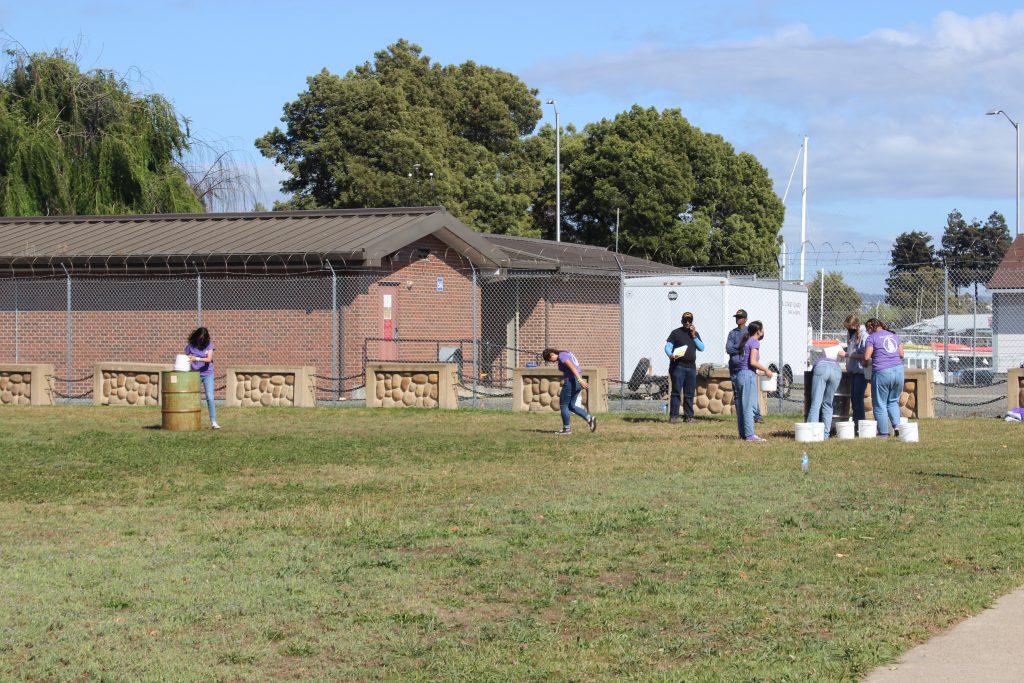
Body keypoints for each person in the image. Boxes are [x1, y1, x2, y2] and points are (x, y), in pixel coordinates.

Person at [864, 318, 905, 439]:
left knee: (880, 403)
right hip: (898, 371)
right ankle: (897, 427)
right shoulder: (893, 335)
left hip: (882, 372)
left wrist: (865, 365)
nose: (868, 332)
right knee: (893, 401)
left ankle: (883, 433)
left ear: (871, 327)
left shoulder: (872, 338)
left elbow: (867, 357)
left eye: (868, 330)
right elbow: (901, 354)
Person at [543, 347, 597, 435]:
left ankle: (566, 429)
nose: (552, 362)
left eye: (549, 359)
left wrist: (580, 380)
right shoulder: (566, 353)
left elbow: (573, 368)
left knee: (563, 404)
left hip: (572, 381)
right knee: (571, 406)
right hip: (576, 381)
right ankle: (589, 418)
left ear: (551, 355)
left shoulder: (562, 356)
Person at [735, 321, 773, 441]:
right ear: (758, 331)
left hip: (740, 375)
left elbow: (746, 363)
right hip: (747, 377)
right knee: (749, 406)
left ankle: (743, 434)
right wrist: (767, 370)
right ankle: (750, 435)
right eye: (762, 329)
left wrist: (757, 371)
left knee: (741, 406)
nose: (763, 332)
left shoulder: (746, 341)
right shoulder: (755, 342)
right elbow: (753, 362)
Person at [664, 312, 705, 423]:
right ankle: (673, 416)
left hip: (691, 367)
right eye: (685, 320)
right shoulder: (676, 333)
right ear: (682, 321)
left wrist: (694, 336)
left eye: (690, 320)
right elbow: (667, 347)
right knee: (676, 392)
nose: (687, 322)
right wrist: (670, 354)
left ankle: (689, 417)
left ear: (692, 322)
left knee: (689, 393)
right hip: (678, 366)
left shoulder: (695, 334)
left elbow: (702, 348)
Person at [726, 309, 763, 424]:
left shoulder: (749, 331)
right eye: (737, 317)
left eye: (741, 317)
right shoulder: (732, 333)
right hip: (735, 367)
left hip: (747, 367)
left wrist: (738, 347)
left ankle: (757, 416)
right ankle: (740, 416)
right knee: (737, 394)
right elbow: (728, 349)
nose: (738, 319)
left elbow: (752, 348)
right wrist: (741, 346)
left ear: (746, 319)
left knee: (751, 393)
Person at [807, 345, 846, 439]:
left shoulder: (820, 360)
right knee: (828, 403)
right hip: (837, 370)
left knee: (816, 402)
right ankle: (825, 435)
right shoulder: (836, 362)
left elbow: (812, 374)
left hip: (822, 368)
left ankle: (811, 433)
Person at [185, 327, 220, 430]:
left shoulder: (210, 345)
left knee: (210, 397)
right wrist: (190, 360)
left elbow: (209, 359)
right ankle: (191, 420)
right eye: (200, 338)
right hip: (195, 374)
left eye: (203, 338)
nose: (201, 340)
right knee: (192, 397)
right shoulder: (191, 345)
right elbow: (187, 356)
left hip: (208, 374)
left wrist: (196, 358)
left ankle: (213, 422)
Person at [844, 314, 869, 432]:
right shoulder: (850, 335)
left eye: (850, 327)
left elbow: (865, 355)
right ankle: (856, 423)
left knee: (858, 399)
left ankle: (859, 424)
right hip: (853, 371)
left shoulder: (864, 336)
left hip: (861, 371)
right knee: (854, 399)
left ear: (856, 325)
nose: (849, 330)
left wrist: (850, 356)